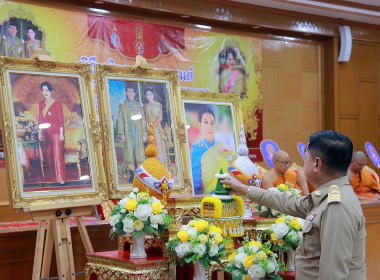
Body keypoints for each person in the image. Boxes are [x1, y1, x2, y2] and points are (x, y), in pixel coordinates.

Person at [222, 130, 366, 280]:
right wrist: (244, 189)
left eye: (305, 159)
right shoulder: (327, 196)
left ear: (317, 163)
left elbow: (332, 274)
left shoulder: (337, 206)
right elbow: (289, 202)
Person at [191, 106, 231, 194]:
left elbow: (230, 170)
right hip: (206, 196)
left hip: (225, 192)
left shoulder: (222, 146)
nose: (210, 127)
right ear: (200, 124)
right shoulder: (197, 148)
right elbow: (196, 182)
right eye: (206, 122)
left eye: (212, 123)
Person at [116, 84, 147, 183]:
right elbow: (120, 119)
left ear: (134, 93)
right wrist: (122, 133)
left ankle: (140, 174)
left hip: (138, 132)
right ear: (126, 93)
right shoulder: (123, 105)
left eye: (132, 92)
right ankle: (132, 174)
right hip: (128, 132)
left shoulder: (139, 105)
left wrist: (144, 134)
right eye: (128, 91)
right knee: (130, 153)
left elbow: (142, 121)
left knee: (139, 153)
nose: (130, 93)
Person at [38, 81, 66, 185]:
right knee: (48, 155)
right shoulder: (41, 103)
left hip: (57, 133)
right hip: (46, 133)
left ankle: (61, 178)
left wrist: (62, 133)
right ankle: (53, 177)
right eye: (43, 90)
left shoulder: (57, 103)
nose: (45, 92)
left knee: (58, 155)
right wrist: (40, 132)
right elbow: (40, 118)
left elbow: (61, 119)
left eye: (47, 90)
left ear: (51, 91)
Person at [144, 88, 167, 166]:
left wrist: (152, 127)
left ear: (153, 95)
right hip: (149, 129)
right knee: (152, 145)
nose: (149, 96)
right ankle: (154, 166)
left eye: (150, 94)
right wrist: (148, 127)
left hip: (156, 128)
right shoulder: (146, 106)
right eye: (147, 94)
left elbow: (160, 118)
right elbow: (146, 118)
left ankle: (161, 166)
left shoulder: (158, 105)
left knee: (158, 145)